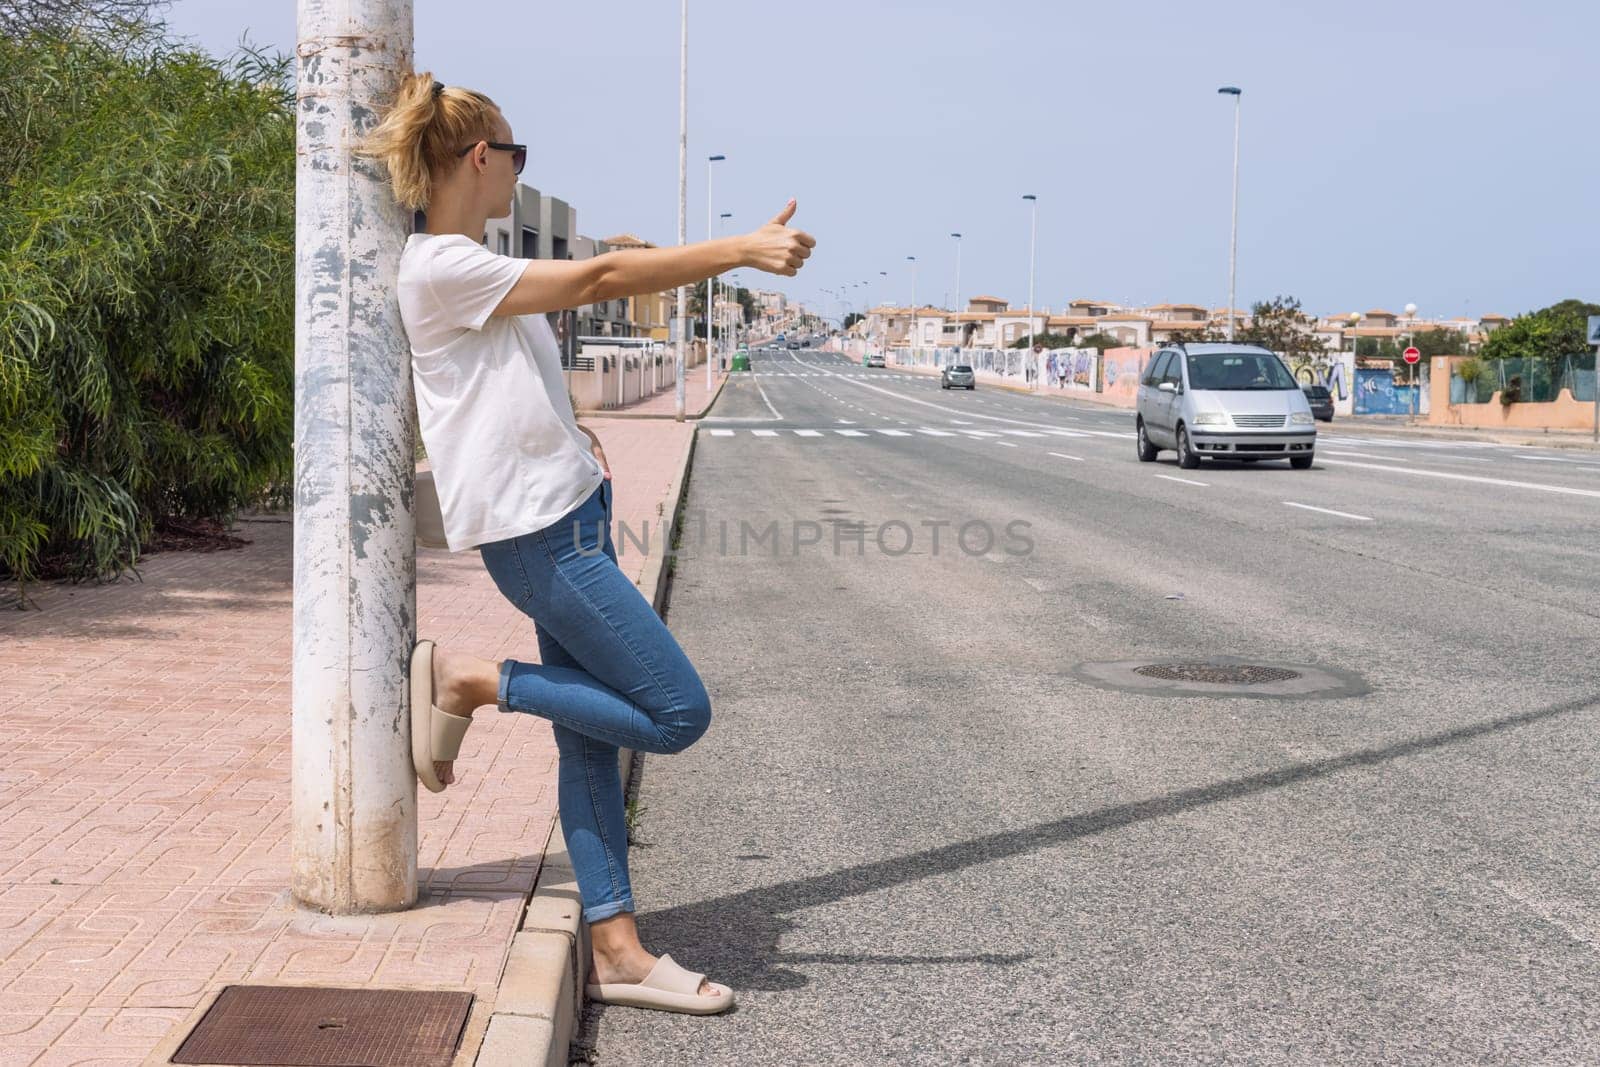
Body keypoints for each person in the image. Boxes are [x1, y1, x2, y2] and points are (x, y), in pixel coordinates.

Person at [359, 72, 815, 1016]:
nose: (521, 172)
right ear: (481, 158)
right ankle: (473, 683)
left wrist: (577, 439)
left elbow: (525, 368)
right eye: (516, 154)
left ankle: (615, 949)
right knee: (676, 712)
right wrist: (737, 250)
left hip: (567, 517)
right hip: (542, 541)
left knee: (589, 747)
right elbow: (603, 279)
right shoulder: (443, 267)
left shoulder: (474, 263)